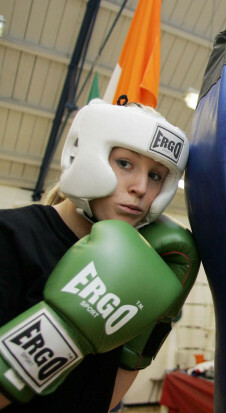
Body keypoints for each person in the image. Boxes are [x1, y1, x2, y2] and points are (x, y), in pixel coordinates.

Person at [0, 97, 199, 412]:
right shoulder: (11, 238)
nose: (141, 188)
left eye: (156, 176)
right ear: (85, 153)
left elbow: (102, 401)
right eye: (124, 163)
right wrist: (62, 331)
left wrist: (148, 335)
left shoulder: (140, 267)